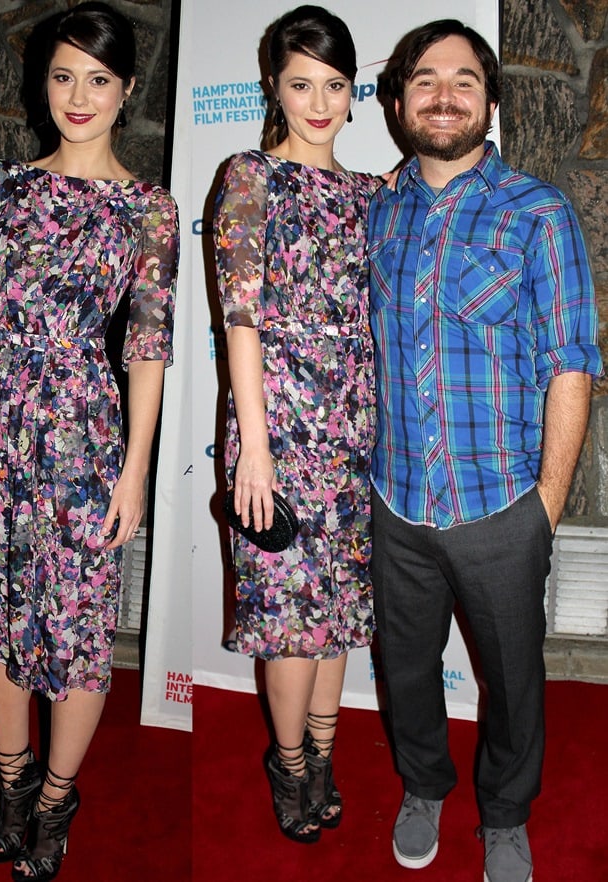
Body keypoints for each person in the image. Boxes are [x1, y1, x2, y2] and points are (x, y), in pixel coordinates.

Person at [0, 3, 178, 880]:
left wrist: (136, 472)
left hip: (84, 440)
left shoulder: (151, 210)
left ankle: (56, 795)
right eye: (64, 74)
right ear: (44, 83)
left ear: (127, 92)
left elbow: (147, 349)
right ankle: (11, 780)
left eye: (99, 79)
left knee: (75, 629)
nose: (79, 95)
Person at [367, 18, 603, 882]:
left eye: (464, 79)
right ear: (397, 102)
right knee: (406, 670)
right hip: (394, 503)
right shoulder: (380, 210)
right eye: (424, 79)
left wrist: (544, 505)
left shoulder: (537, 214)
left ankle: (505, 812)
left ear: (490, 101)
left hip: (502, 507)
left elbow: (572, 364)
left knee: (514, 681)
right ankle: (424, 783)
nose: (443, 94)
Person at [214, 4, 378, 844]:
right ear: (274, 89)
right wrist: (255, 450)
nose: (319, 102)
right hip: (274, 437)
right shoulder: (250, 177)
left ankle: (323, 748)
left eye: (335, 85)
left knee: (340, 607)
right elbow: (239, 319)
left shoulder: (369, 194)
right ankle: (287, 762)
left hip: (355, 439)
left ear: (356, 93)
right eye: (301, 83)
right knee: (287, 615)